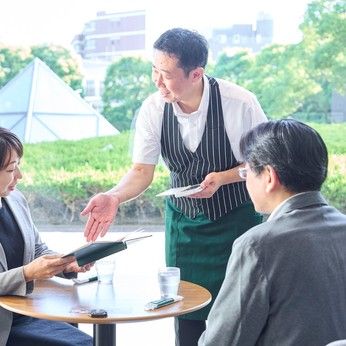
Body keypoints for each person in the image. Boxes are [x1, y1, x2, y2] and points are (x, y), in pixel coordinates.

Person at [81, 28, 267, 345]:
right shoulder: (154, 108)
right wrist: (113, 197)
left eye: (165, 74)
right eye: (154, 70)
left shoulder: (239, 103)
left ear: (196, 73)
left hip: (237, 220)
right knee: (186, 311)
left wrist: (222, 178)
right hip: (185, 226)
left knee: (241, 310)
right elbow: (141, 171)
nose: (157, 81)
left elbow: (263, 164)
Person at [198, 119, 346, 346]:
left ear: (269, 176)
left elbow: (223, 341)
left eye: (246, 172)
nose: (246, 182)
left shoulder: (258, 245)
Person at [0, 127, 93, 346]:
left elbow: (38, 250)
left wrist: (67, 263)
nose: (19, 176)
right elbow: (28, 269)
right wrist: (27, 273)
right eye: (11, 169)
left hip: (28, 313)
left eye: (18, 166)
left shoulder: (15, 200)